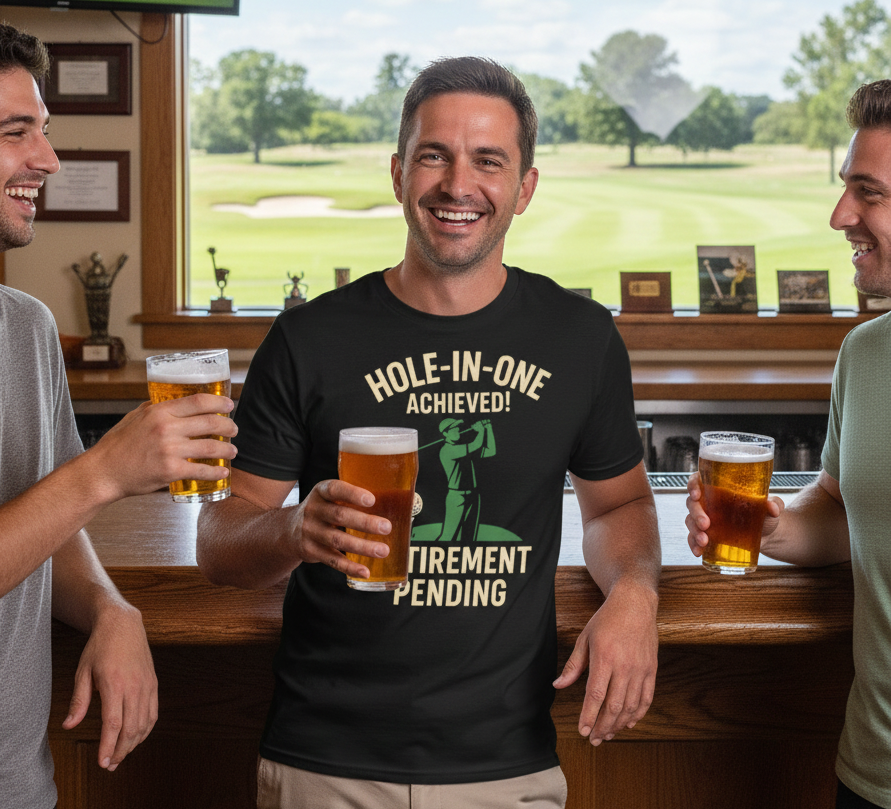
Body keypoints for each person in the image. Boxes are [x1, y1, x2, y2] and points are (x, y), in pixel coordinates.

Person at [197, 56, 661, 809]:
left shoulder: (580, 337)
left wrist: (635, 594)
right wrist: (294, 530)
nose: (457, 184)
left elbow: (618, 506)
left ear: (525, 188)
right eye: (433, 156)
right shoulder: (309, 339)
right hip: (324, 762)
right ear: (397, 173)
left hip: (506, 765)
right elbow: (219, 541)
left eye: (488, 161)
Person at [0, 21, 238, 809]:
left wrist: (109, 604)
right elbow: (76, 493)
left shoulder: (26, 328)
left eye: (44, 129)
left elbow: (47, 523)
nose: (47, 159)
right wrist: (105, 471)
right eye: (15, 133)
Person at [686, 78, 891, 809]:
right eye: (846, 186)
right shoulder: (864, 355)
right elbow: (841, 507)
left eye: (869, 193)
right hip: (871, 772)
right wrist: (771, 529)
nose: (840, 215)